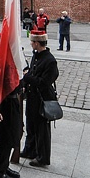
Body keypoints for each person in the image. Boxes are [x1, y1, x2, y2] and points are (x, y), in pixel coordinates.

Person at [20, 30, 58, 167]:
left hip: (42, 99)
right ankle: (30, 150)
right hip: (32, 97)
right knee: (30, 125)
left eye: (32, 42)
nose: (31, 44)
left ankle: (43, 157)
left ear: (37, 43)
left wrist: (27, 77)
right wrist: (25, 83)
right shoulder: (36, 56)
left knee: (42, 129)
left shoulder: (50, 60)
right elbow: (31, 72)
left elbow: (44, 83)